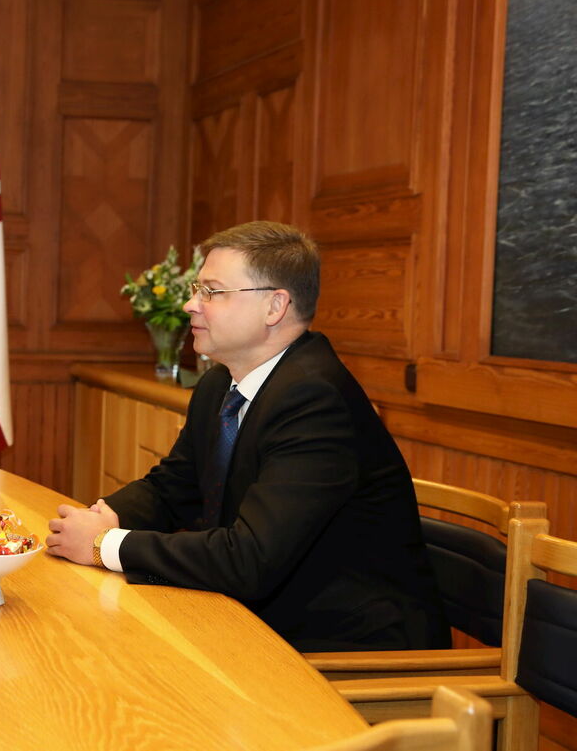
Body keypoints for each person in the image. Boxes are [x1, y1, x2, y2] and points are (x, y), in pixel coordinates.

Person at [46, 221, 448, 653]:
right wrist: (101, 518)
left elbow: (249, 559)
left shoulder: (315, 401)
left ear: (275, 306)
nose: (189, 305)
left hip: (348, 645)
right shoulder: (222, 382)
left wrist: (104, 544)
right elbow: (172, 488)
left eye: (211, 292)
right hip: (256, 615)